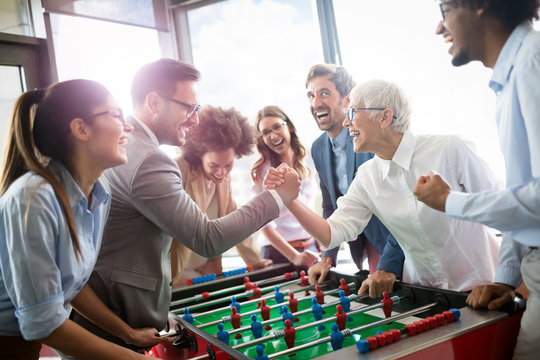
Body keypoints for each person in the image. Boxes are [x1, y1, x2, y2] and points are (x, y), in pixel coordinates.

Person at [69, 58, 300, 351]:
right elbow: (207, 238)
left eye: (197, 109)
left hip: (113, 318)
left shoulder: (130, 147)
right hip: (112, 322)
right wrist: (278, 197)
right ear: (154, 102)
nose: (194, 119)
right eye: (188, 108)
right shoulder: (150, 158)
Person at [267, 79, 501, 297]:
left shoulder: (451, 149)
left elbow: (504, 213)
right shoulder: (367, 176)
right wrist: (289, 199)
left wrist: (508, 282)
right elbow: (331, 235)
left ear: (385, 117)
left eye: (353, 112)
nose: (346, 121)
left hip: (484, 287)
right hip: (423, 295)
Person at [413, 1, 540, 358]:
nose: (440, 28)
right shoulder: (511, 76)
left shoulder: (533, 62)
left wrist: (449, 201)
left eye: (445, 11)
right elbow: (522, 196)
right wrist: (506, 278)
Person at [0, 80, 160, 359]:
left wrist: (128, 334)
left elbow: (71, 285)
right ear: (80, 128)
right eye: (116, 115)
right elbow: (43, 324)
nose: (129, 127)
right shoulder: (33, 198)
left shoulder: (100, 194)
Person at [304, 64, 405, 284]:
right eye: (311, 95)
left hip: (396, 242)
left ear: (347, 99)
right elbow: (330, 205)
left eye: (324, 93)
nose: (315, 103)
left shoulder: (368, 138)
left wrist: (389, 263)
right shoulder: (318, 148)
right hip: (364, 244)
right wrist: (327, 257)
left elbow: (399, 205)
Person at [170, 105, 272, 285]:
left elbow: (236, 223)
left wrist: (255, 262)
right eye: (214, 166)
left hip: (205, 269)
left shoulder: (224, 180)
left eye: (228, 165)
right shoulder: (177, 169)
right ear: (199, 154)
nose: (222, 173)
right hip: (175, 272)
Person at [251, 105, 319, 267]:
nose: (273, 136)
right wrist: (294, 256)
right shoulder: (263, 172)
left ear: (288, 126)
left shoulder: (309, 158)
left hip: (310, 244)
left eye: (277, 127)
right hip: (279, 251)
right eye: (266, 132)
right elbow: (263, 224)